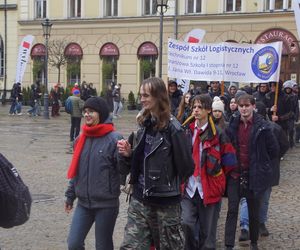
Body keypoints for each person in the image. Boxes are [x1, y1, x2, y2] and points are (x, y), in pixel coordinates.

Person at [117, 77, 194, 250]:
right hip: (139, 198)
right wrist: (130, 154)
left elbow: (187, 167)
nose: (142, 99)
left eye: (146, 95)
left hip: (166, 203)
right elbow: (141, 160)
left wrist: (167, 182)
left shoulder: (174, 129)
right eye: (141, 95)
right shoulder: (144, 123)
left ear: (159, 96)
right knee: (131, 247)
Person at [65, 96, 123, 250]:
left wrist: (127, 155)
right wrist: (70, 195)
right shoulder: (80, 138)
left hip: (106, 204)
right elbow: (76, 170)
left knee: (103, 246)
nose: (86, 115)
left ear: (101, 114)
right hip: (84, 203)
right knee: (74, 243)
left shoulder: (114, 139)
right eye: (85, 111)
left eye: (91, 111)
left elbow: (123, 171)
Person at [181, 94, 237, 250]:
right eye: (194, 107)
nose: (196, 110)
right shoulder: (186, 131)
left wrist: (218, 176)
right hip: (189, 187)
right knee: (186, 223)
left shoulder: (218, 133)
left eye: (200, 107)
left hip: (209, 189)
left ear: (208, 110)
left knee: (208, 235)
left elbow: (230, 160)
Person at [224, 94, 280, 250]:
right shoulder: (233, 124)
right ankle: (228, 244)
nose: (243, 108)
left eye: (247, 105)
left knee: (254, 211)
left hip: (254, 174)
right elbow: (226, 145)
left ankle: (254, 242)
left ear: (253, 106)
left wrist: (262, 163)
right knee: (232, 209)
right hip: (235, 173)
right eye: (241, 105)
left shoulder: (263, 125)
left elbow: (274, 149)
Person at [238, 101, 289, 241]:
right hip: (252, 169)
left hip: (267, 169)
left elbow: (283, 146)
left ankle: (253, 225)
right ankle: (250, 225)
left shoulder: (273, 128)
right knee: (253, 199)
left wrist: (272, 158)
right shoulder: (245, 127)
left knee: (258, 198)